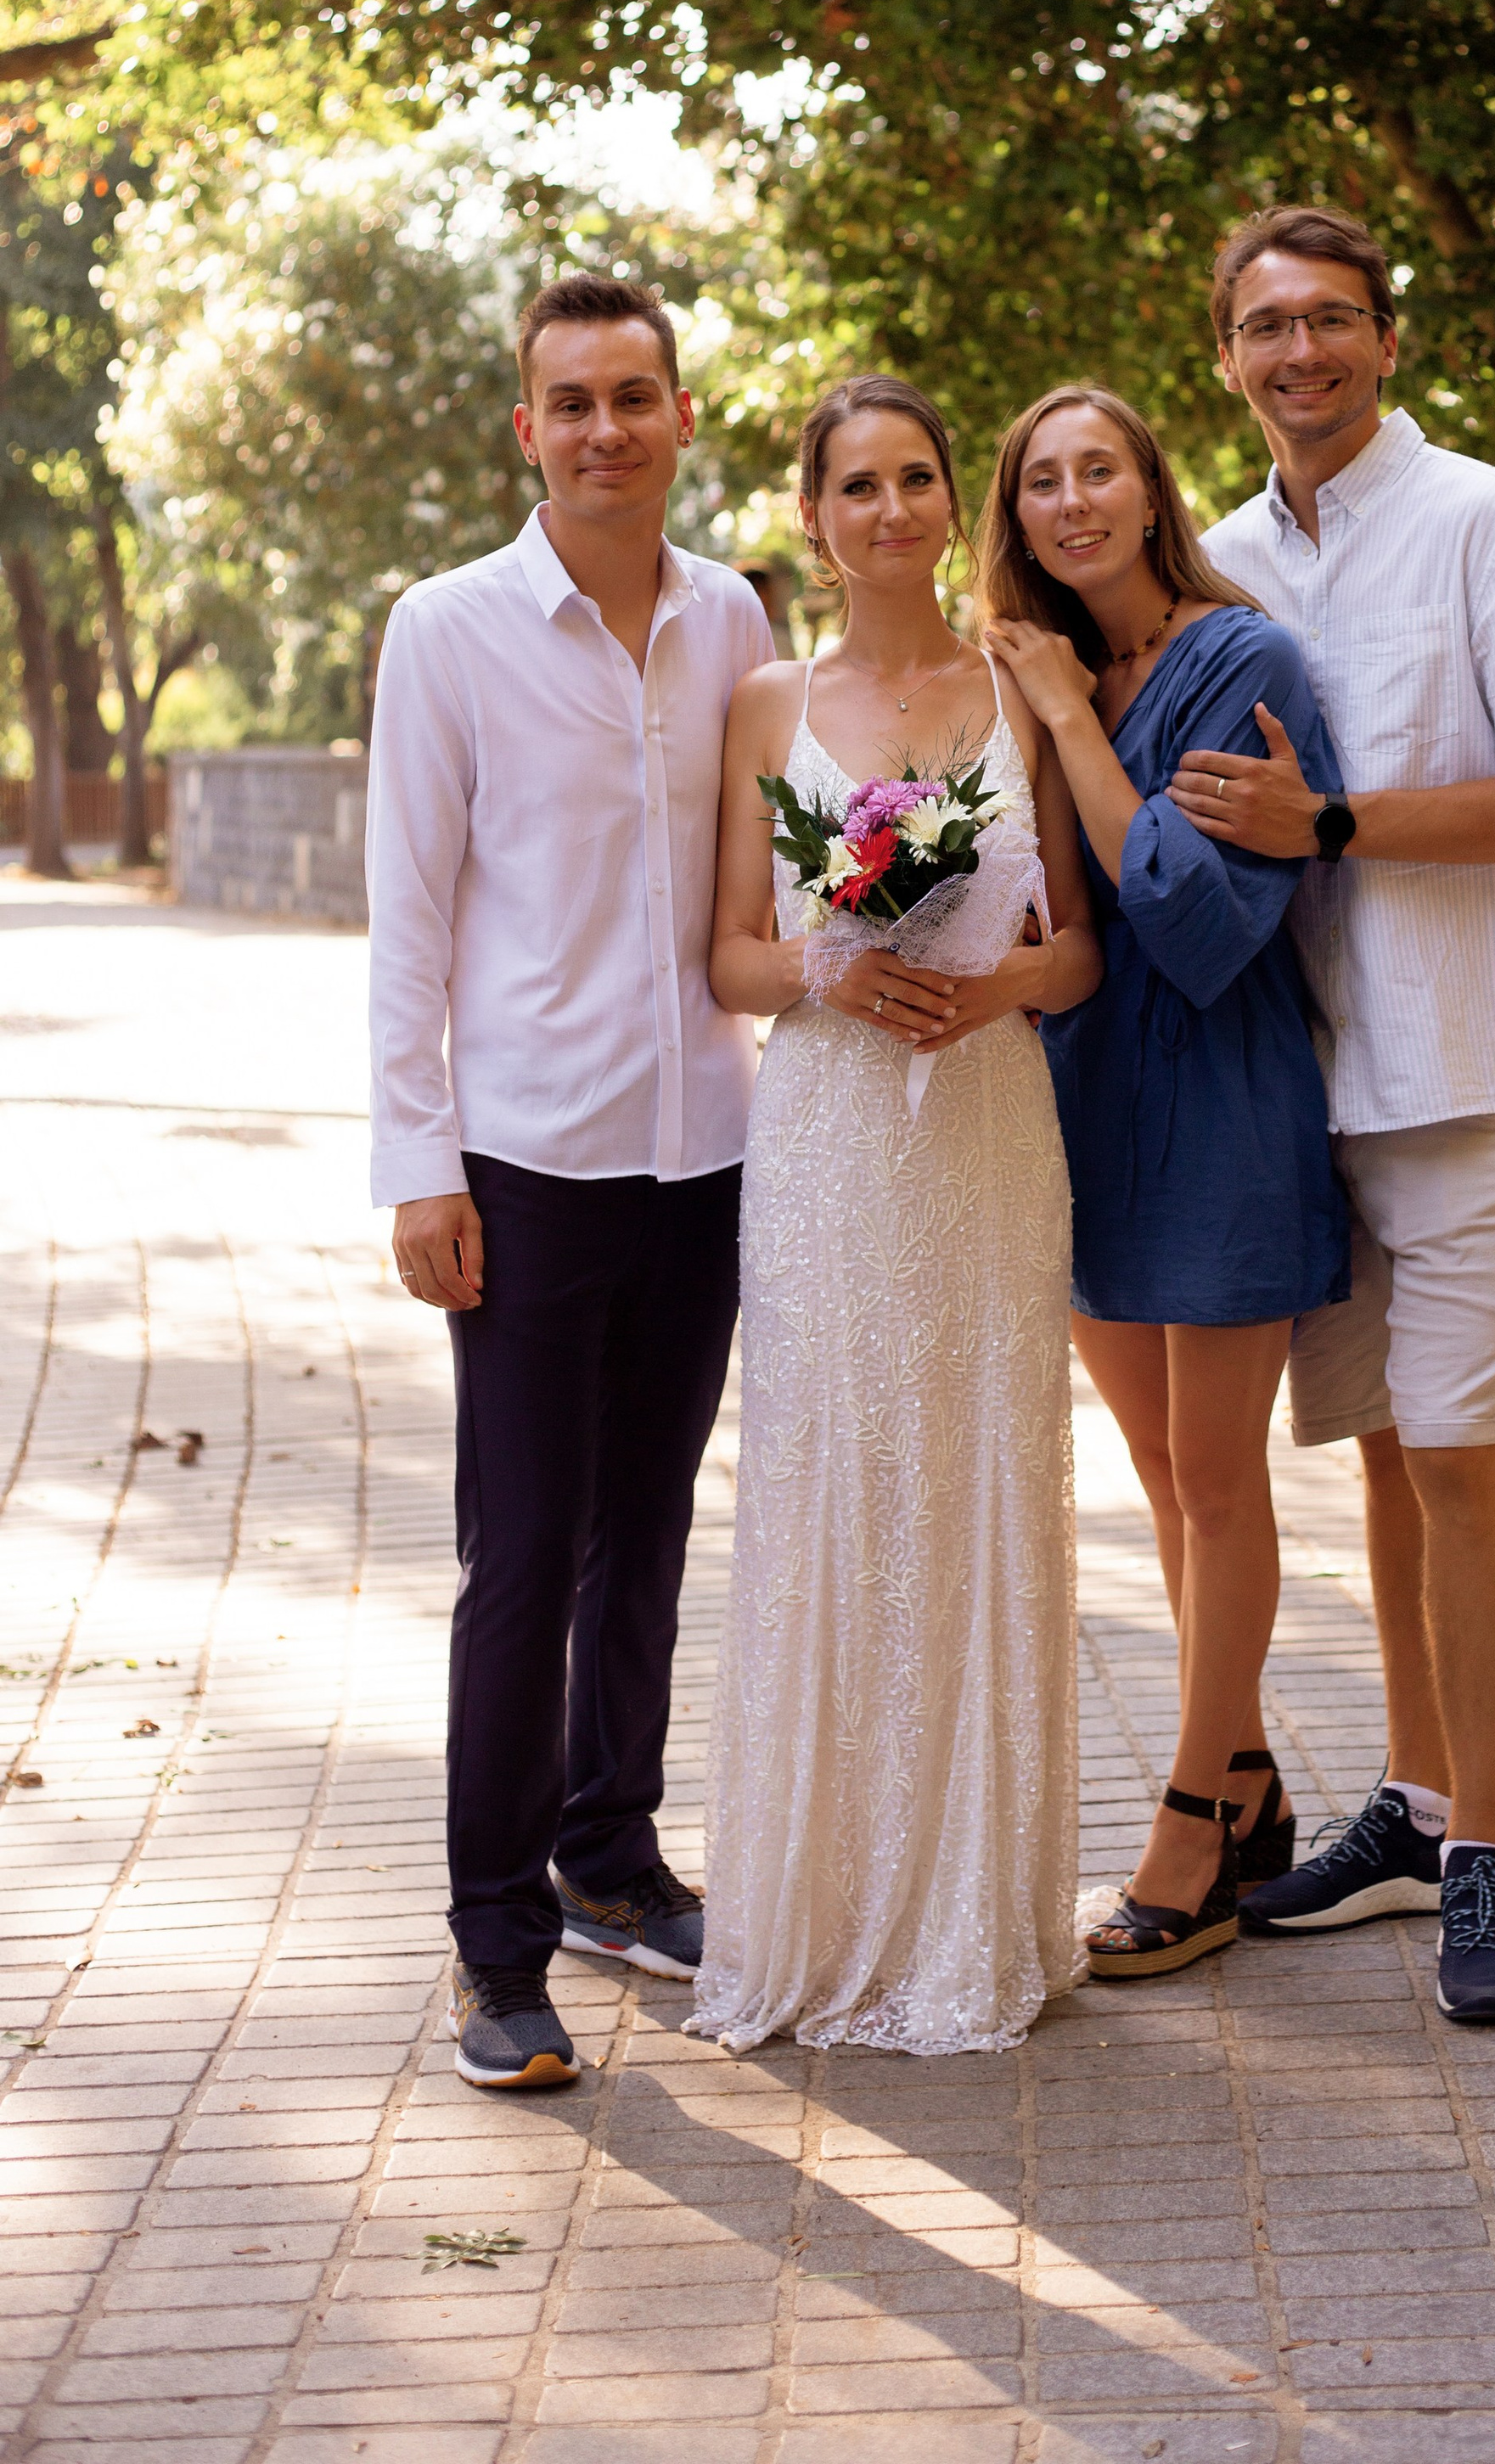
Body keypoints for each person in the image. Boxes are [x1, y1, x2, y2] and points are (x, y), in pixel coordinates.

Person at [1181, 204, 1495, 2026]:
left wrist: (1334, 827)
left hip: (1457, 1060)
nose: (1302, 353)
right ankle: (1414, 1796)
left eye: (1332, 320)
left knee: (1450, 1441)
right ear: (1226, 355)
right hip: (1299, 1079)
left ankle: (1484, 1857)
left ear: (1384, 338)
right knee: (1372, 1444)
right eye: (1268, 326)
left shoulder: (1485, 525)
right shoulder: (1214, 560)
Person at [367, 270, 775, 2091]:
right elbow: (410, 922)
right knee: (519, 1555)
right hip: (525, 1164)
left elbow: (784, 871)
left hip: (705, 1152)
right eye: (572, 401)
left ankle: (611, 1859)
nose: (607, 426)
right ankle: (493, 1942)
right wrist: (417, 1164)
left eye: (636, 394)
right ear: (524, 429)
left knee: (652, 1534)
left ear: (683, 416)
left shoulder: (737, 622)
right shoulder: (446, 632)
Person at [693, 373, 1101, 2054]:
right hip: (828, 1139)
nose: (887, 511)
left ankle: (970, 1912)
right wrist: (835, 966)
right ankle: (822, 1911)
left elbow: (1077, 945)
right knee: (830, 1481)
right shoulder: (762, 705)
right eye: (853, 486)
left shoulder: (1015, 684)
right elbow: (725, 952)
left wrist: (990, 984)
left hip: (985, 1126)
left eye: (914, 479)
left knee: (978, 1478)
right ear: (812, 516)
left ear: (953, 500)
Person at [981, 386, 1347, 1981]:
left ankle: (1194, 1824)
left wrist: (1070, 724)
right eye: (1043, 480)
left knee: (1217, 1479)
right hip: (1080, 1109)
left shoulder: (1239, 658)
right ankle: (1253, 1778)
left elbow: (1200, 930)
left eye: (1099, 472)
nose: (1072, 502)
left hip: (1224, 1106)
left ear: (1149, 492)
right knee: (1156, 1466)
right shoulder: (1024, 669)